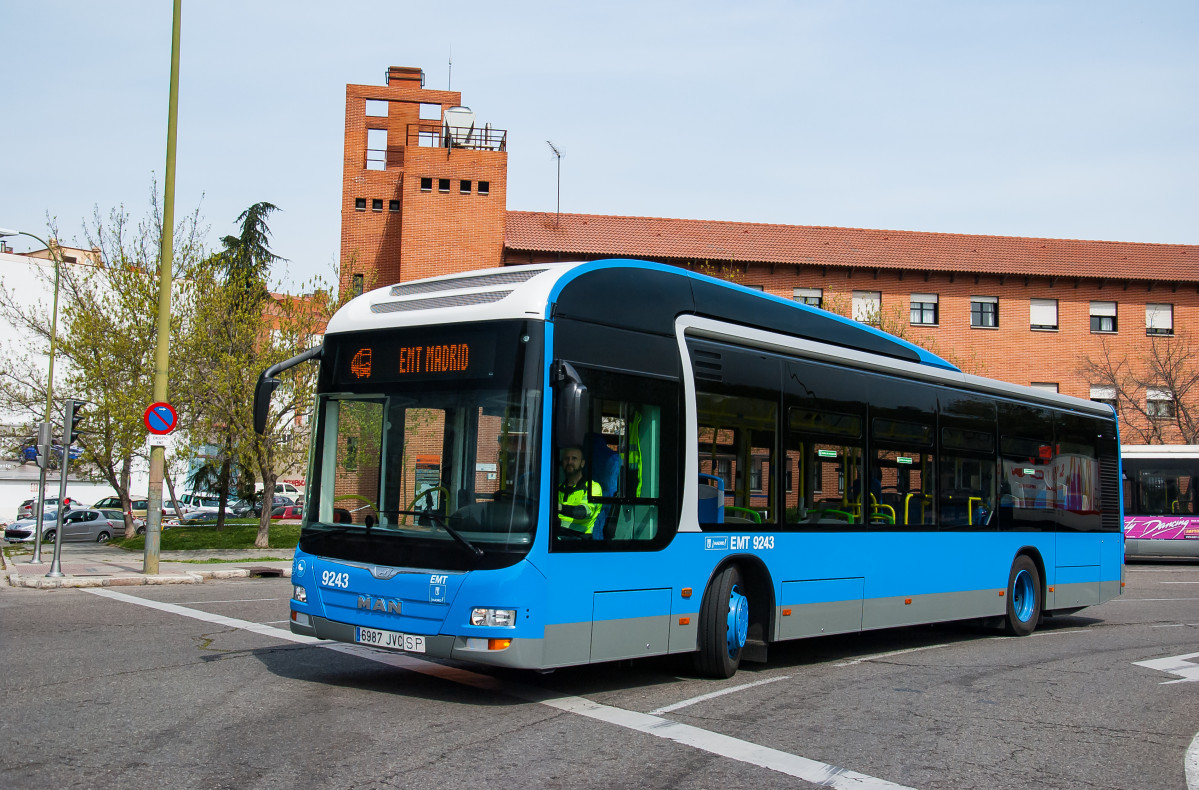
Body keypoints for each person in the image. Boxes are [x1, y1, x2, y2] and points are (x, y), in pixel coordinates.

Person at [556, 445, 602, 536]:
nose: (569, 462)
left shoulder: (593, 487)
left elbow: (583, 512)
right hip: (556, 537)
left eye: (574, 458)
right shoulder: (558, 488)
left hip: (580, 540)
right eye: (566, 459)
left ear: (582, 463)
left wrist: (557, 507)